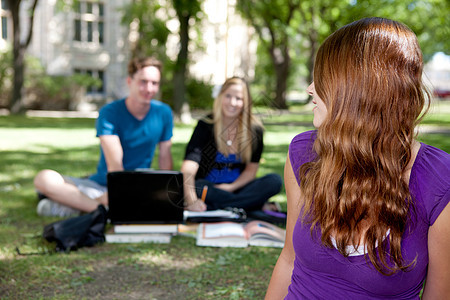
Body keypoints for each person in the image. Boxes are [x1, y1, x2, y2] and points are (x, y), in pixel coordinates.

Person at [266, 17, 450, 299]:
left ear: (358, 92)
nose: (310, 89)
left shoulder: (437, 180)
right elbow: (289, 260)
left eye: (323, 79)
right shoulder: (304, 152)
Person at [34, 57, 174, 217]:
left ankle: (80, 206)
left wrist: (165, 193)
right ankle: (101, 208)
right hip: (104, 184)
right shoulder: (110, 112)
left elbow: (165, 159)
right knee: (44, 178)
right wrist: (115, 194)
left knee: (142, 194)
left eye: (154, 83)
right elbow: (115, 165)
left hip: (140, 184)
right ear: (130, 81)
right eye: (143, 81)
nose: (149, 88)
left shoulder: (163, 113)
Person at [181, 77, 282, 212]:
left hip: (239, 188)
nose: (232, 103)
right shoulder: (205, 126)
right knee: (200, 187)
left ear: (246, 102)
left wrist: (230, 188)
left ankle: (223, 206)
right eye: (228, 96)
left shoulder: (255, 130)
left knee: (274, 181)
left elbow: (251, 171)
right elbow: (188, 167)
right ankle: (252, 206)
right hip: (210, 189)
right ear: (220, 97)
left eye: (239, 98)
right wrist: (192, 200)